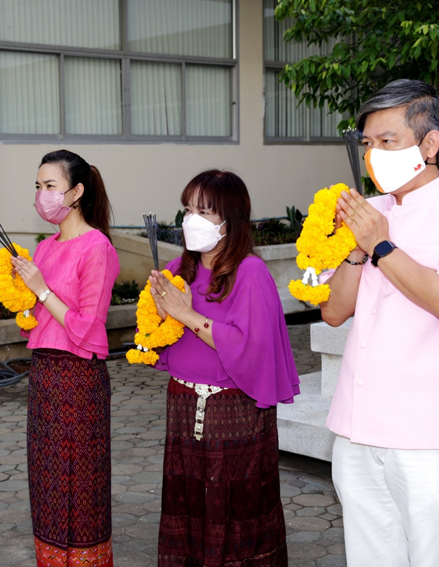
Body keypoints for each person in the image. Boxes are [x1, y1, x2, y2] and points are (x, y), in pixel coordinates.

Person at [321, 79, 439, 567]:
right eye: (367, 143)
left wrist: (382, 245)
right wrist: (357, 250)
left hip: (431, 435)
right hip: (359, 426)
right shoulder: (369, 212)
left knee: (433, 559)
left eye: (388, 141)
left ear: (429, 143)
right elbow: (334, 312)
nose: (374, 154)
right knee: (369, 558)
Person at [148, 170, 299, 567]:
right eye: (187, 209)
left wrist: (186, 314)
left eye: (203, 211)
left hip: (234, 411)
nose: (190, 220)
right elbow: (162, 339)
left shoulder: (250, 273)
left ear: (229, 220)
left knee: (235, 512)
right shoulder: (179, 266)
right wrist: (160, 315)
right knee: (187, 504)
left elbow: (251, 347)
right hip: (182, 404)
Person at [10, 149, 119, 567]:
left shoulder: (97, 247)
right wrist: (22, 298)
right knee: (49, 481)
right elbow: (38, 321)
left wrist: (40, 291)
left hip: (78, 379)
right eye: (38, 186)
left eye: (50, 186)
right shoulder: (45, 248)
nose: (42, 194)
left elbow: (88, 328)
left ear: (76, 192)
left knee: (81, 485)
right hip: (44, 377)